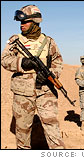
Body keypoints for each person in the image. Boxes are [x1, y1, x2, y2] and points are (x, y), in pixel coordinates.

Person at [1, 5, 66, 149]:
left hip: (46, 92)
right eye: (20, 22)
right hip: (23, 95)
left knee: (53, 131)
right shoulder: (15, 40)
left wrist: (50, 74)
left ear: (35, 22)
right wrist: (21, 62)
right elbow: (4, 59)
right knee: (23, 133)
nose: (21, 25)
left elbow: (58, 61)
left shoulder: (49, 42)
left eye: (25, 22)